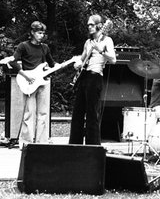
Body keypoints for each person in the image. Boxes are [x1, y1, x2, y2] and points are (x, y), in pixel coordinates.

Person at [9, 21, 58, 149]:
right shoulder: (23, 46)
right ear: (32, 32)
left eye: (43, 33)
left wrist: (52, 66)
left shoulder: (45, 48)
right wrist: (25, 75)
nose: (41, 35)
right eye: (39, 33)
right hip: (29, 82)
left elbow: (52, 64)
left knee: (43, 113)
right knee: (29, 113)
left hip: (43, 82)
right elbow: (13, 62)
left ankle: (42, 142)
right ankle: (26, 143)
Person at [69, 14, 116, 145]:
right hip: (84, 77)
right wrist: (78, 63)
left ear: (100, 26)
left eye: (92, 25)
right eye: (88, 25)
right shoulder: (88, 42)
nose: (89, 27)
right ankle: (74, 144)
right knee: (77, 112)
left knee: (92, 113)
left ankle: (93, 145)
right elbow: (82, 58)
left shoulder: (107, 40)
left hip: (95, 77)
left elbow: (113, 59)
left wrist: (101, 51)